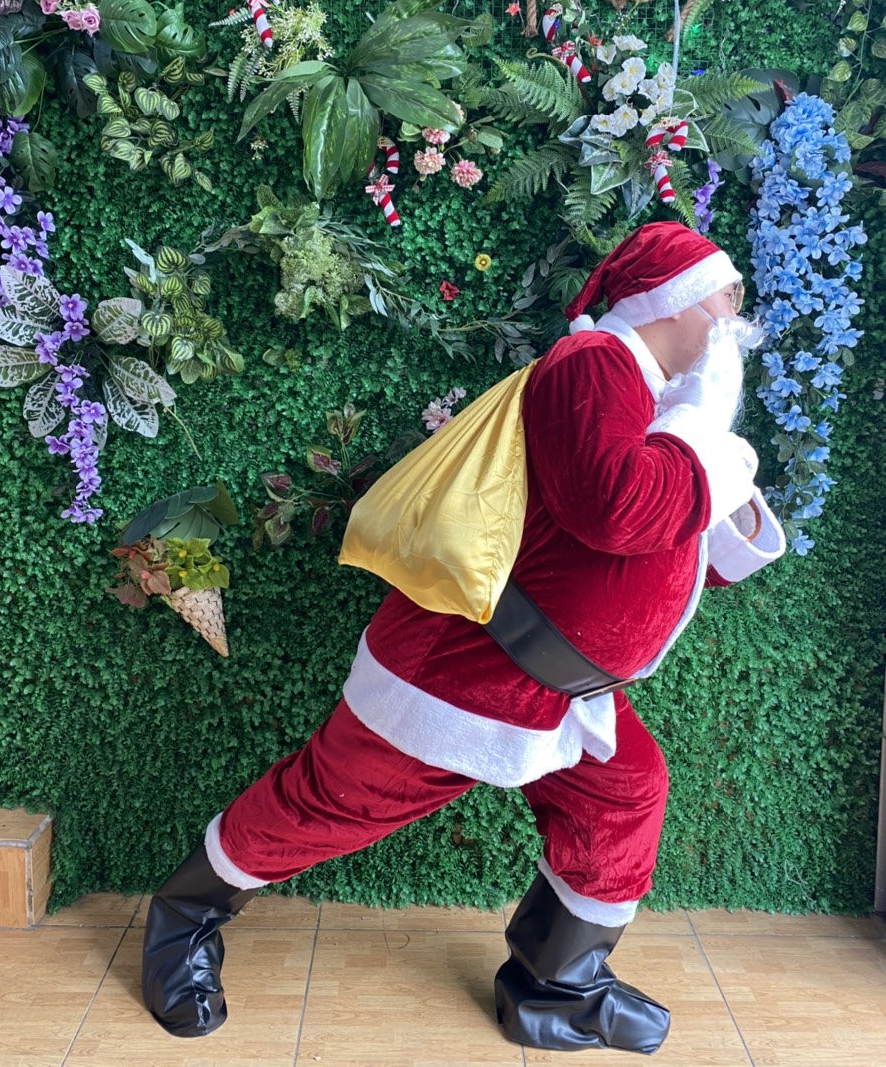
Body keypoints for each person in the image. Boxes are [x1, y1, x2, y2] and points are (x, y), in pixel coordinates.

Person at [141, 221, 786, 1053]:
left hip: (558, 688)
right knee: (332, 802)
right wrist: (706, 442)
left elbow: (656, 549)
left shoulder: (658, 401)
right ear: (673, 298)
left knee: (624, 792)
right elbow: (617, 510)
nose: (737, 315)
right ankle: (184, 917)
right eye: (726, 296)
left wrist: (710, 463)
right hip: (467, 672)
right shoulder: (593, 364)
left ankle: (556, 987)